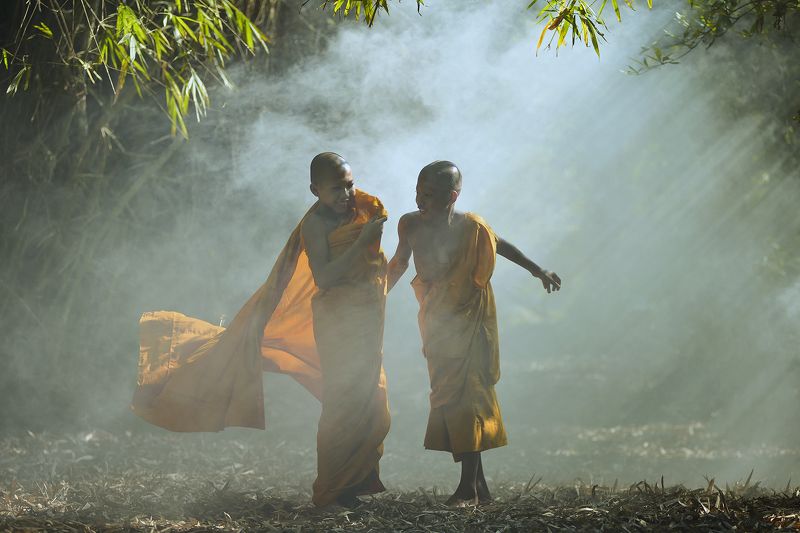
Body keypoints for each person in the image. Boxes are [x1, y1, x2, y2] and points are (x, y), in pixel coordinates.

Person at [132, 152, 391, 508]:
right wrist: (362, 242)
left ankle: (350, 486)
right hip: (335, 322)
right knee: (343, 403)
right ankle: (331, 491)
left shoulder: (359, 212)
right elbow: (327, 277)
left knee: (372, 400)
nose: (346, 195)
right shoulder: (317, 225)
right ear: (315, 190)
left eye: (350, 185)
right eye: (336, 189)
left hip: (362, 320)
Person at [386, 160, 561, 507]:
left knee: (471, 399)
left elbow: (500, 245)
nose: (420, 199)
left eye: (430, 194)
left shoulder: (471, 227)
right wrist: (377, 295)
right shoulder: (408, 224)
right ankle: (480, 486)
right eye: (418, 191)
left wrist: (537, 270)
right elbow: (400, 262)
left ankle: (467, 486)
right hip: (437, 320)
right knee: (453, 398)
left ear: (452, 196)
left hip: (471, 320)